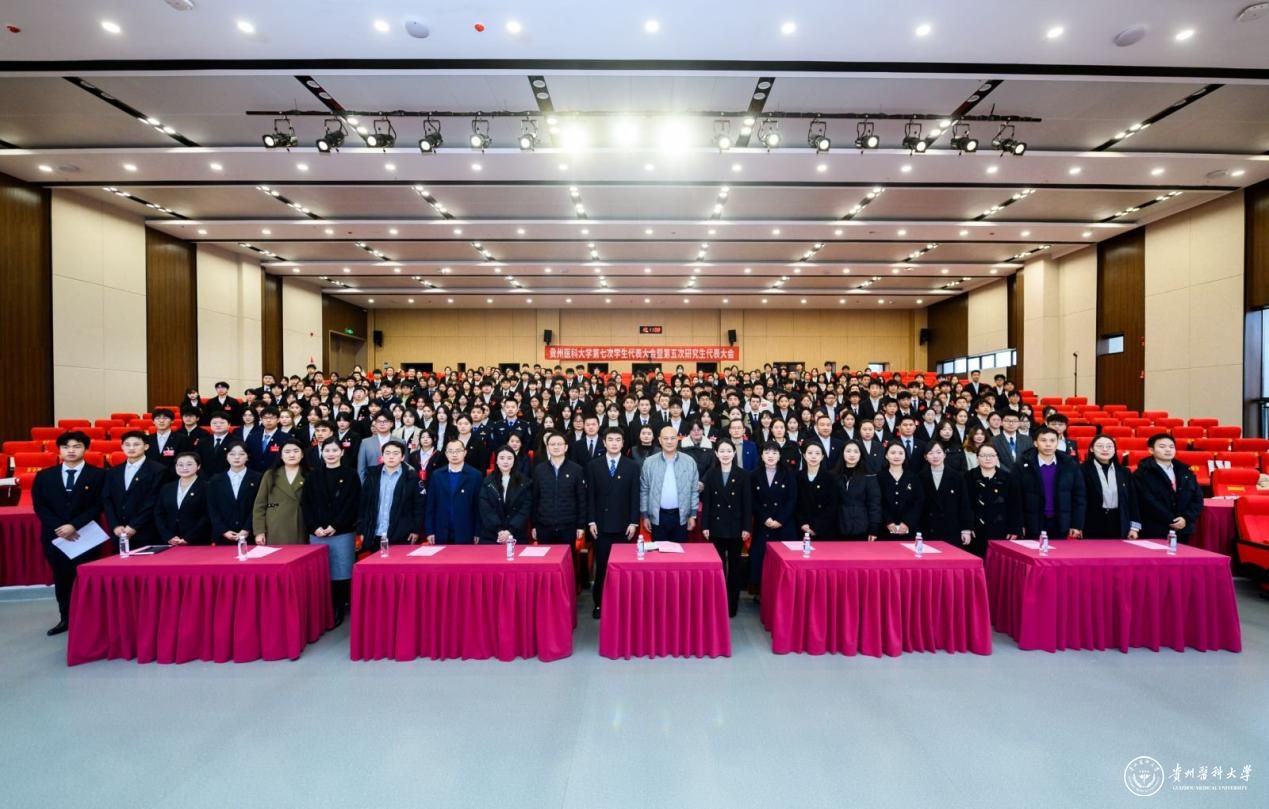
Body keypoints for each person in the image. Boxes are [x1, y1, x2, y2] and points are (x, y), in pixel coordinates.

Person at [31, 431, 106, 636]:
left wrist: (74, 525)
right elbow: (40, 506)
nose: (71, 450)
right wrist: (60, 527)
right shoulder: (44, 476)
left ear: (86, 449)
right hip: (55, 537)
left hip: (86, 536)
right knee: (62, 578)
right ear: (59, 450)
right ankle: (66, 619)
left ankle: (90, 620)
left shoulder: (99, 475)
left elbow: (99, 504)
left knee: (86, 579)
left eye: (76, 446)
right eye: (66, 447)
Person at [301, 438, 362, 626]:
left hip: (342, 531)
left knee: (341, 572)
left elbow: (353, 503)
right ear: (322, 452)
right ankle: (322, 609)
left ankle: (338, 608)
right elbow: (306, 504)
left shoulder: (351, 475)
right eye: (327, 450)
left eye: (335, 450)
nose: (331, 454)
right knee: (321, 573)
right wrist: (314, 527)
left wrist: (335, 525)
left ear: (342, 453)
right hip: (317, 532)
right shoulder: (313, 475)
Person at [584, 427, 641, 618]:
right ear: (604, 442)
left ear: (623, 443)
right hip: (600, 525)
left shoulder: (632, 466)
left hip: (624, 526)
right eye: (610, 439)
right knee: (602, 566)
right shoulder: (594, 465)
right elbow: (590, 496)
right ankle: (599, 603)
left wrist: (634, 522)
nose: (614, 443)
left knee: (623, 567)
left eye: (618, 440)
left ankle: (623, 603)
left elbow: (635, 496)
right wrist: (591, 520)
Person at [700, 438, 751, 618]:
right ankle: (718, 603)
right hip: (716, 526)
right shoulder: (711, 474)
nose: (725, 454)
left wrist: (746, 527)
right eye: (721, 451)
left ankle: (732, 605)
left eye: (729, 451)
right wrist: (705, 525)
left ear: (734, 453)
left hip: (736, 527)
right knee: (718, 567)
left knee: (735, 569)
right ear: (716, 453)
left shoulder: (743, 475)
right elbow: (707, 502)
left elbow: (747, 504)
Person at [531, 431, 587, 586]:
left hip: (568, 525)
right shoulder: (539, 469)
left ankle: (569, 593)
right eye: (552, 444)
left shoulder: (576, 469)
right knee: (545, 564)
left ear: (566, 447)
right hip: (544, 525)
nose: (556, 447)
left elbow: (581, 499)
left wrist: (580, 525)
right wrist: (534, 524)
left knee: (568, 564)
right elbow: (535, 498)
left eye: (559, 444)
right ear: (547, 447)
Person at [1017, 426, 1085, 539]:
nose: (1048, 444)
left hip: (1060, 522)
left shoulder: (1070, 464)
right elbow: (1016, 497)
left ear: (1057, 443)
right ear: (1035, 443)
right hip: (1032, 522)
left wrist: (1076, 524)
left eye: (1052, 440)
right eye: (1043, 440)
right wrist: (1018, 524)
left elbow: (1079, 496)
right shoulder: (1022, 465)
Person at [1132, 433, 1203, 541]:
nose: (1168, 450)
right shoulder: (1141, 474)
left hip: (1183, 529)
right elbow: (1147, 501)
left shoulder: (1185, 471)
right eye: (1162, 446)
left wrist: (1186, 518)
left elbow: (1197, 497)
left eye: (1171, 447)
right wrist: (1171, 520)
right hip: (1154, 529)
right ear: (1151, 450)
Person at [102, 429, 163, 552]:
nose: (131, 448)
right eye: (127, 444)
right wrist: (115, 526)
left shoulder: (159, 470)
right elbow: (107, 499)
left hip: (146, 530)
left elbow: (155, 500)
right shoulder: (113, 471)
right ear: (122, 447)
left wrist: (134, 526)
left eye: (136, 444)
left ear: (146, 447)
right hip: (119, 532)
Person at [639, 424, 701, 545]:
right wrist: (645, 515)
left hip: (681, 516)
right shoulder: (649, 463)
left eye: (672, 438)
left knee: (680, 553)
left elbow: (694, 490)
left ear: (678, 439)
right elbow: (644, 490)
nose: (669, 441)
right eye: (665, 438)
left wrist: (693, 515)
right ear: (659, 440)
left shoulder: (689, 461)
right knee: (659, 553)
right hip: (657, 516)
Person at [750, 441, 797, 598]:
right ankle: (763, 595)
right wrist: (765, 518)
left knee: (784, 562)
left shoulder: (788, 474)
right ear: (762, 455)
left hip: (784, 524)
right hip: (763, 524)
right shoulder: (754, 475)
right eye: (767, 452)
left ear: (780, 455)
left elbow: (792, 499)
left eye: (774, 452)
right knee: (761, 559)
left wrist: (780, 520)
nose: (770, 456)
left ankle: (783, 595)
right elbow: (752, 501)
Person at [358, 439, 424, 552]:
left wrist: (416, 529)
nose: (391, 457)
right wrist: (363, 530)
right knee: (376, 563)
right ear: (382, 456)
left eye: (396, 453)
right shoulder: (372, 475)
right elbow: (364, 504)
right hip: (375, 533)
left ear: (402, 457)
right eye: (387, 453)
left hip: (401, 533)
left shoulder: (411, 477)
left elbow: (419, 506)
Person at [964, 445, 1023, 556]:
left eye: (991, 455)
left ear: (997, 457)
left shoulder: (1008, 478)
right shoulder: (968, 477)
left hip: (1002, 530)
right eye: (983, 455)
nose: (988, 458)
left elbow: (1015, 505)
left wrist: (1015, 528)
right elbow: (965, 505)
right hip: (976, 531)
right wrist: (967, 527)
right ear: (977, 458)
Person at [1081, 435, 1141, 539]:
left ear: (1114, 450)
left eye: (1109, 446)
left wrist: (1134, 527)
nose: (1105, 449)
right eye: (1100, 446)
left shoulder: (1124, 472)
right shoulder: (1082, 470)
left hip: (1119, 521)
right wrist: (1078, 525)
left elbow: (1132, 500)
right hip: (1091, 522)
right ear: (1091, 449)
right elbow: (1078, 500)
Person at [424, 439, 483, 544]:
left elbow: (478, 507)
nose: (454, 454)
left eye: (458, 451)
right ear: (446, 454)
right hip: (441, 531)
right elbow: (430, 505)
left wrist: (477, 532)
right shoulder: (437, 475)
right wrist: (430, 530)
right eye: (450, 451)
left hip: (466, 531)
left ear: (465, 452)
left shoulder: (475, 476)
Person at [252, 438, 307, 545]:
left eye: (296, 451)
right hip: (276, 525)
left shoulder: (309, 474)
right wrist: (259, 531)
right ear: (281, 455)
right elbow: (260, 505)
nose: (292, 455)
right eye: (287, 452)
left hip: (302, 525)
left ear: (302, 455)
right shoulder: (270, 474)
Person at [917, 443, 972, 549]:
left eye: (938, 452)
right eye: (931, 453)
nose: (935, 456)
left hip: (951, 528)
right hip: (928, 529)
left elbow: (964, 504)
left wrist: (966, 529)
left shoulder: (957, 477)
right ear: (925, 457)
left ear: (944, 455)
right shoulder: (920, 477)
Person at [478, 445, 534, 547]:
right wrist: (499, 530)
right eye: (502, 458)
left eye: (509, 458)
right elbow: (486, 509)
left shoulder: (524, 482)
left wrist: (510, 531)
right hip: (491, 535)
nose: (505, 461)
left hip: (517, 535)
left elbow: (525, 509)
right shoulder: (487, 481)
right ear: (496, 461)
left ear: (514, 460)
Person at [208, 441, 261, 544]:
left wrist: (247, 529)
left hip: (250, 535)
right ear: (226, 457)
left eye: (241, 454)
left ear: (247, 457)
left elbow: (258, 506)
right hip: (223, 536)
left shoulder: (258, 478)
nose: (237, 457)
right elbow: (212, 508)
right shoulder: (215, 480)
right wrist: (224, 530)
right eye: (232, 454)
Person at [154, 451, 212, 545]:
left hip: (198, 541)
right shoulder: (167, 488)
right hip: (170, 541)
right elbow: (158, 514)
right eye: (180, 465)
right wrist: (168, 536)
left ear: (198, 466)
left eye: (189, 464)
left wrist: (188, 538)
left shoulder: (207, 487)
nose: (184, 468)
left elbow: (207, 515)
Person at [836, 440, 881, 541]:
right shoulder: (833, 475)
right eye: (848, 451)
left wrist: (873, 529)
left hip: (862, 527)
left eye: (856, 451)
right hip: (837, 526)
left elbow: (874, 503)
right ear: (842, 453)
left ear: (861, 454)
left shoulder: (869, 475)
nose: (852, 455)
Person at [878, 443, 923, 541]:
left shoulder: (913, 477)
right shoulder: (879, 477)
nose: (897, 456)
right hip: (884, 530)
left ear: (905, 456)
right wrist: (888, 521)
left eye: (900, 453)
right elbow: (877, 502)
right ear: (886, 456)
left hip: (909, 529)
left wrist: (907, 522)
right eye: (893, 453)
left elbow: (918, 502)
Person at [795, 443, 839, 541]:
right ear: (804, 456)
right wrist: (802, 523)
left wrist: (816, 527)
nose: (813, 456)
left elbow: (832, 506)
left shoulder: (830, 478)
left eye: (817, 453)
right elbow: (795, 503)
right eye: (810, 453)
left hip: (825, 529)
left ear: (822, 457)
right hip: (801, 528)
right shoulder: (797, 477)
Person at [247, 407, 290, 473]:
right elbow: (248, 455)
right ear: (261, 420)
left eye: (272, 418)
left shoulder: (286, 437)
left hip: (275, 473)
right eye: (265, 418)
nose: (268, 420)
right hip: (254, 473)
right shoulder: (252, 436)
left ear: (278, 420)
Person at [356, 412, 397, 480]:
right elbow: (361, 468)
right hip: (371, 481)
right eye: (379, 421)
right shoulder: (365, 442)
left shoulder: (400, 442)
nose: (382, 424)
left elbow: (404, 466)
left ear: (391, 424)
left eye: (385, 421)